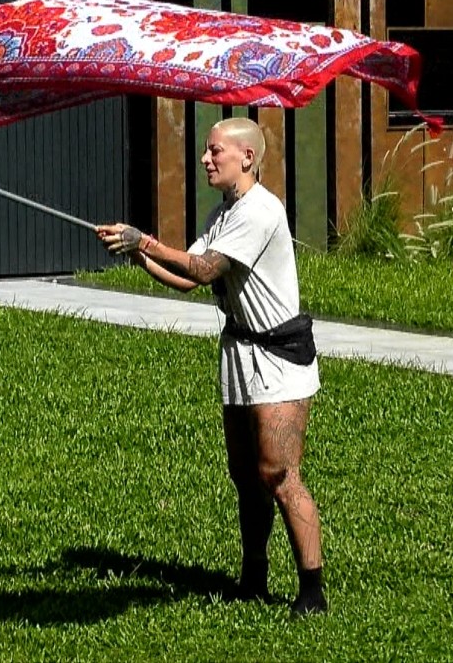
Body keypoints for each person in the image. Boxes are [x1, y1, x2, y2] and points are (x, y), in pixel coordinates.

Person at [95, 117, 328, 617]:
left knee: (279, 473)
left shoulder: (261, 211)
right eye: (206, 151)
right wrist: (136, 253)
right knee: (245, 474)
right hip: (240, 351)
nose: (206, 159)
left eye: (214, 151)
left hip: (278, 357)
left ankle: (313, 591)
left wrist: (144, 241)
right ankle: (254, 577)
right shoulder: (223, 213)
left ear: (247, 157)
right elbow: (189, 280)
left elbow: (201, 268)